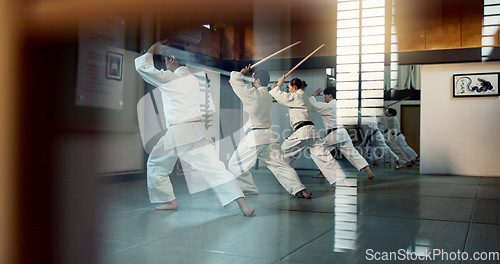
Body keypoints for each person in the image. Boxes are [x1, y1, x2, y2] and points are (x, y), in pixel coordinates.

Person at [135, 41, 254, 216]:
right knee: (216, 170)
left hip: (179, 133)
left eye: (166, 61)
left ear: (173, 59)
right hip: (198, 132)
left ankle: (169, 200)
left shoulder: (172, 78)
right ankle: (244, 205)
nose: (166, 65)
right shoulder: (195, 80)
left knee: (156, 164)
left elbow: (144, 70)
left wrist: (150, 53)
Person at [227, 65, 311, 199]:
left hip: (255, 138)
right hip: (269, 137)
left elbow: (235, 79)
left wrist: (242, 73)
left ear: (258, 81)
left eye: (253, 79)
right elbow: (234, 83)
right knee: (281, 166)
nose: (252, 81)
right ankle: (300, 189)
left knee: (234, 164)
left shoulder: (252, 94)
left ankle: (248, 188)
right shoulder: (267, 95)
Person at [269, 76, 347, 187]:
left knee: (282, 155)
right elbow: (284, 97)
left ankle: (292, 181)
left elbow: (283, 97)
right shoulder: (301, 95)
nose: (289, 90)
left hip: (303, 132)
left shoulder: (298, 96)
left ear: (295, 87)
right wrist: (276, 88)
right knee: (323, 156)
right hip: (311, 131)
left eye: (289, 87)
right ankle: (341, 180)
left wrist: (278, 86)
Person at [309, 87, 375, 179]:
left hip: (333, 135)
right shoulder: (339, 105)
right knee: (353, 154)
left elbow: (313, 105)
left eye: (326, 95)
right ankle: (369, 171)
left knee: (319, 151)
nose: (325, 98)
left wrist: (313, 95)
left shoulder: (329, 106)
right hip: (343, 133)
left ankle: (325, 172)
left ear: (330, 95)